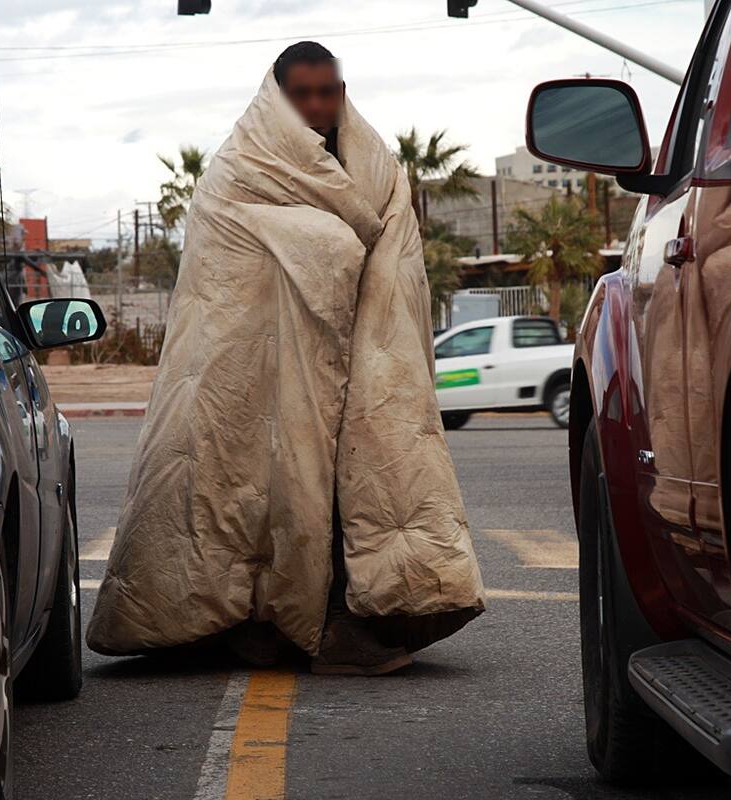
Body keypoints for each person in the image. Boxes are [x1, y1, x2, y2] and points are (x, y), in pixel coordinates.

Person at [87, 41, 485, 676]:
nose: (320, 105)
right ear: (278, 93)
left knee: (348, 486)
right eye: (304, 93)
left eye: (330, 91)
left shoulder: (374, 163)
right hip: (251, 364)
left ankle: (344, 619)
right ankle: (266, 624)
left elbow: (395, 255)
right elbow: (226, 276)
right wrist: (333, 246)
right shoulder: (239, 168)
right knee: (248, 486)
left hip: (357, 352)